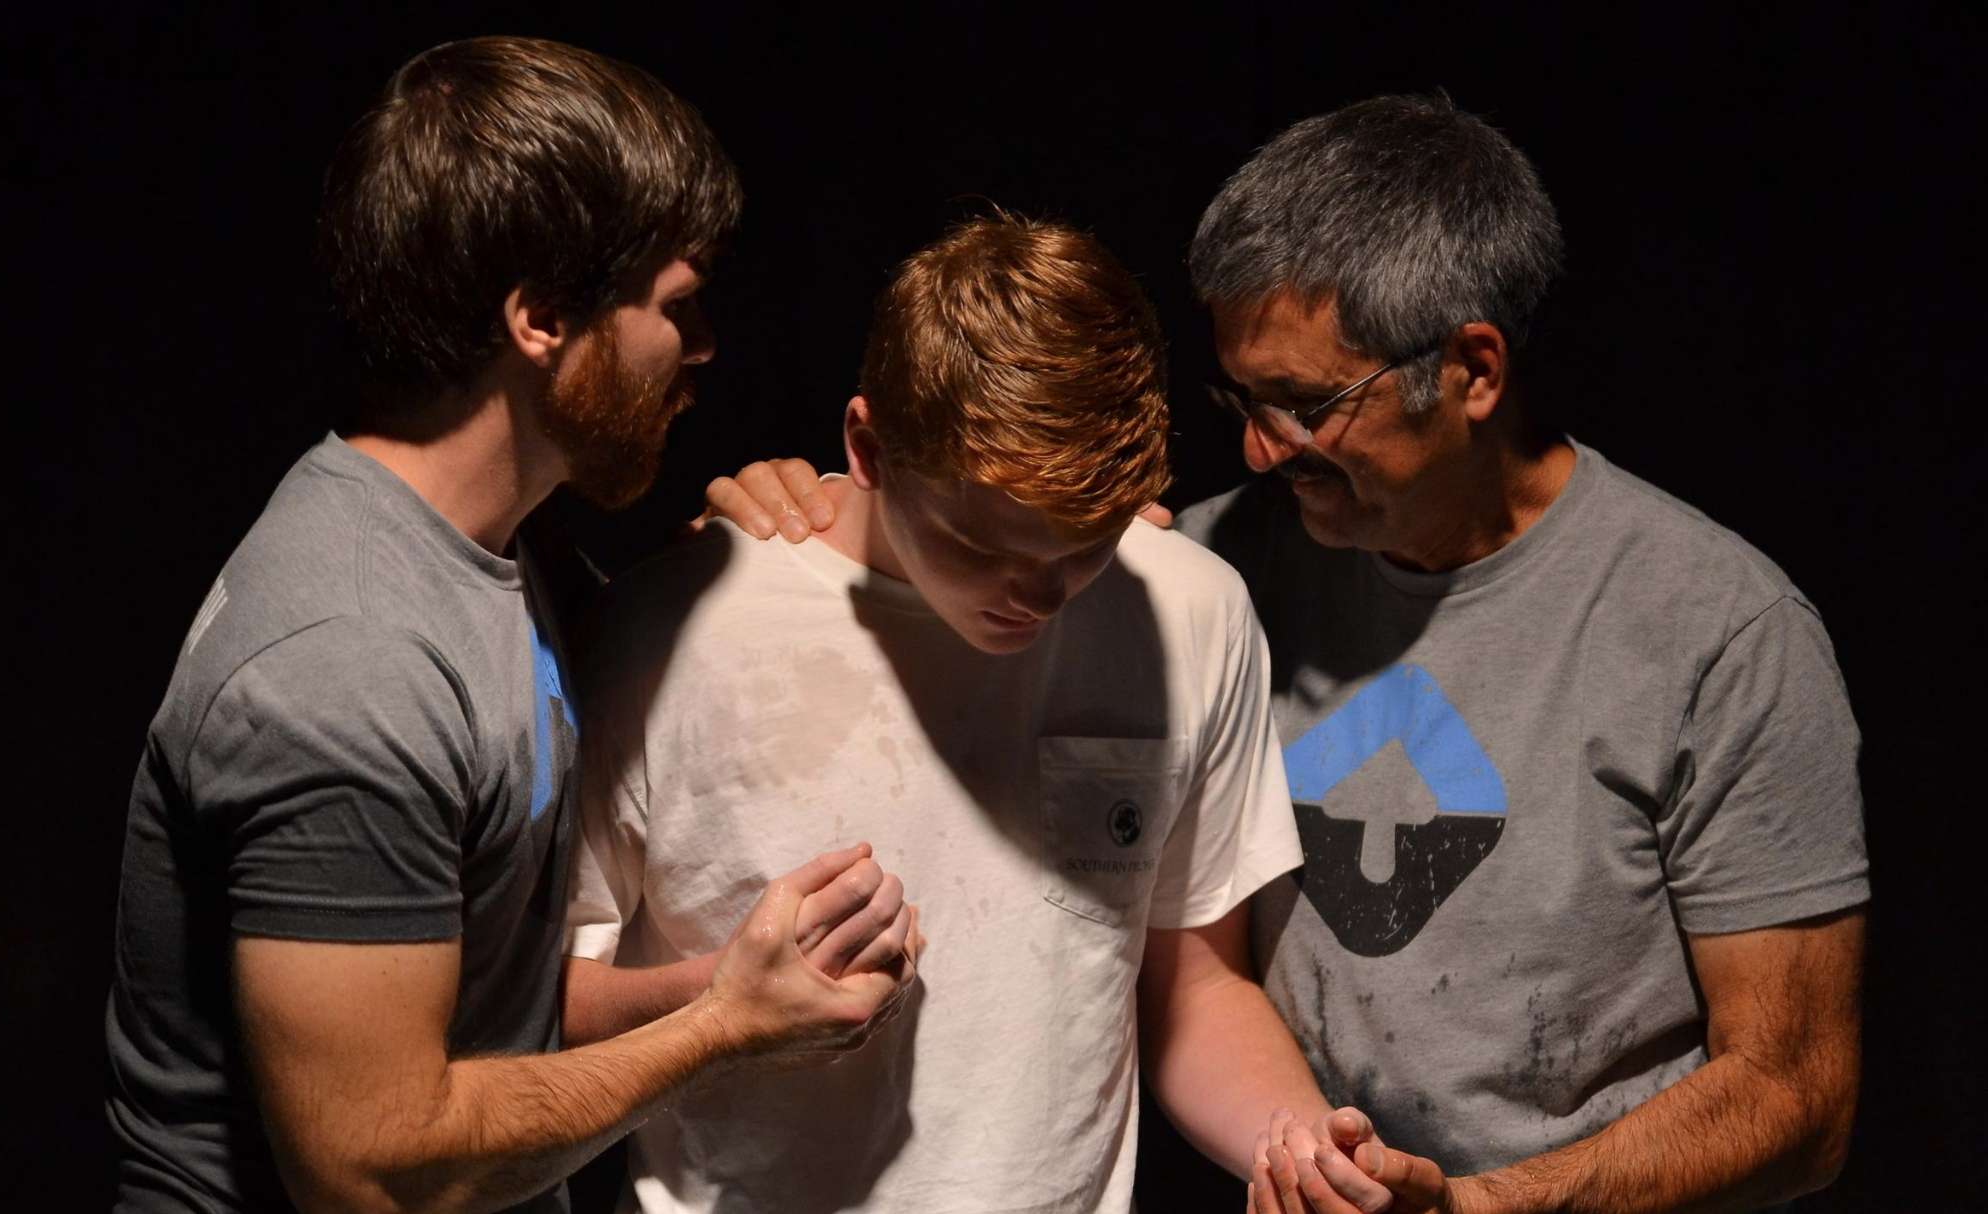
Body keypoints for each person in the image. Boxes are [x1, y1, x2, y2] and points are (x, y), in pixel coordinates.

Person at [711, 96, 1868, 1214]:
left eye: (1305, 404)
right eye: (1237, 398)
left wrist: (1474, 1205)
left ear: (1472, 370)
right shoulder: (1195, 579)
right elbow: (958, 540)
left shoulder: (1719, 633)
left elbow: (1795, 1097)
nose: (1262, 450)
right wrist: (804, 529)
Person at [105, 37, 916, 1214]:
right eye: (675, 308)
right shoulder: (353, 660)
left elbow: (489, 1008)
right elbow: (374, 1167)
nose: (701, 351)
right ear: (540, 318)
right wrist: (726, 1031)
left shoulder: (494, 555)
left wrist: (737, 986)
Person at [562, 215, 1392, 1214]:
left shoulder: (1189, 610)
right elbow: (536, 1012)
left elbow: (1194, 985)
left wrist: (1298, 1148)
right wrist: (727, 998)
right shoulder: (670, 625)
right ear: (866, 446)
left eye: (1078, 548)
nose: (1034, 595)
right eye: (977, 543)